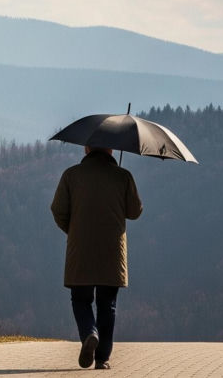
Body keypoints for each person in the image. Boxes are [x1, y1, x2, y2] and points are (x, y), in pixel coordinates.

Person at [50, 146, 143, 370]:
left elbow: (58, 209)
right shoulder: (123, 176)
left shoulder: (71, 175)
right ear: (111, 150)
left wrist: (72, 231)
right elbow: (135, 211)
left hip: (80, 250)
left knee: (80, 300)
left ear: (86, 149)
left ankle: (90, 333)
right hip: (112, 252)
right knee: (107, 304)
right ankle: (102, 359)